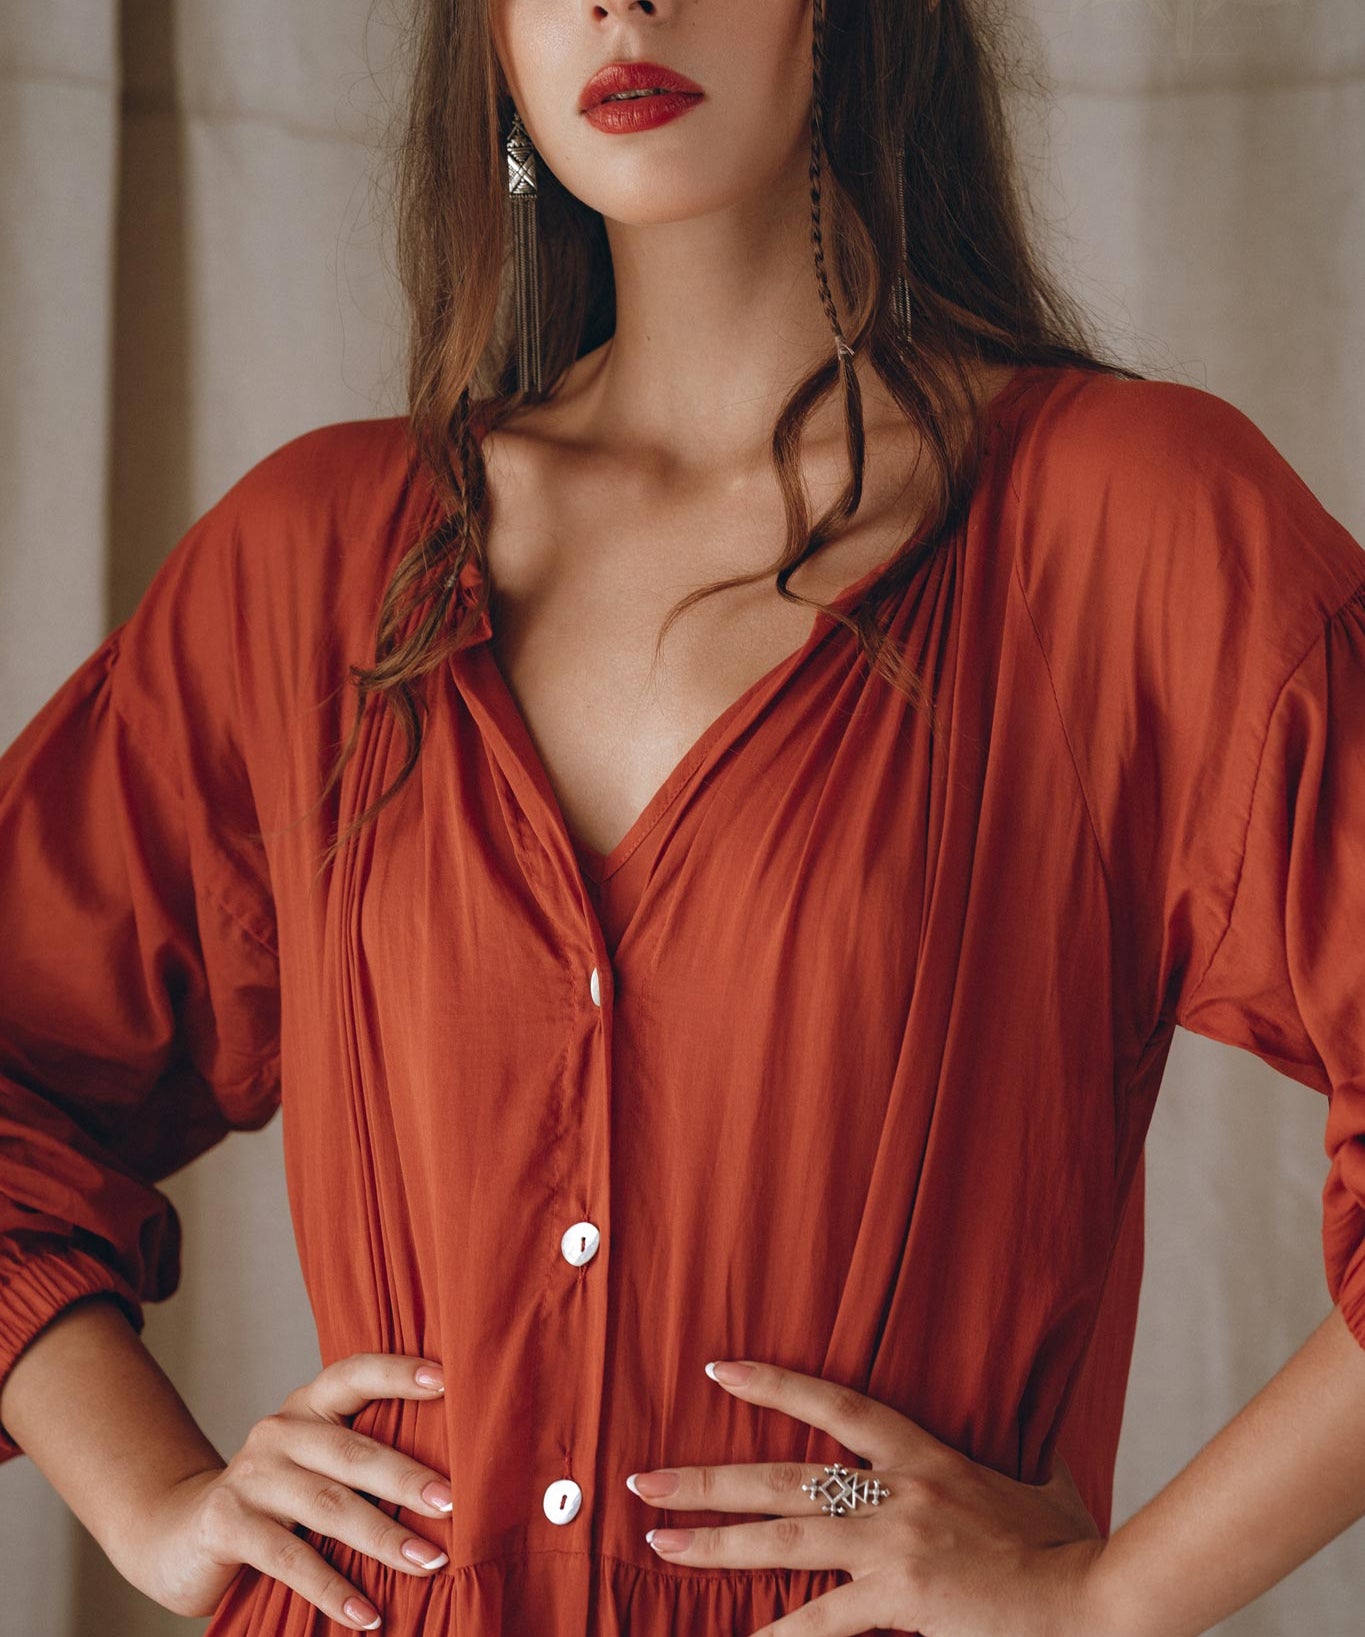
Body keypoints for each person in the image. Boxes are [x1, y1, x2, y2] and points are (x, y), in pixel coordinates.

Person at [2, 0, 1364, 1633]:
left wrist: (1105, 1598)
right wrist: (155, 1501)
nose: (621, 4)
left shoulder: (1128, 532)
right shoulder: (313, 565)